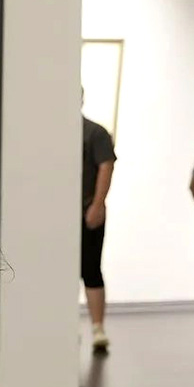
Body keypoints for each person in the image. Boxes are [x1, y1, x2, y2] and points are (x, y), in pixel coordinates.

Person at [81, 95, 116, 352]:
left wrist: (97, 204)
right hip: (60, 218)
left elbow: (106, 166)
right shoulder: (53, 133)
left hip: (87, 212)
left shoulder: (95, 133)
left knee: (91, 270)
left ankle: (97, 328)